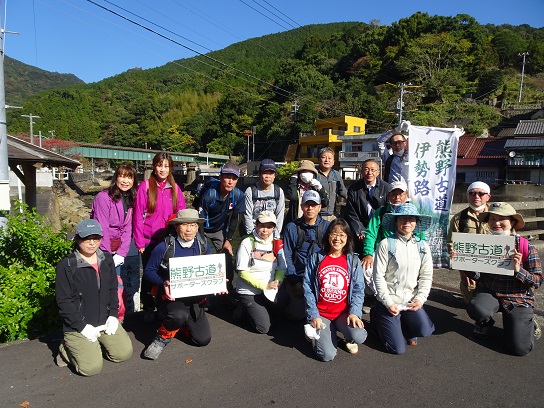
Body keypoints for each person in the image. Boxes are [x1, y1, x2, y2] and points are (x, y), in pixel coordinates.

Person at [55, 219, 133, 376]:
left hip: (104, 320)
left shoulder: (106, 259)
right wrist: (82, 326)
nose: (92, 243)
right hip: (79, 324)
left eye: (96, 238)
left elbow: (112, 289)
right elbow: (63, 301)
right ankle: (66, 348)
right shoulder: (67, 265)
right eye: (86, 238)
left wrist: (112, 315)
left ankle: (94, 345)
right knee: (91, 368)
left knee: (124, 353)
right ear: (77, 239)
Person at [467, 202, 542, 356]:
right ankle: (485, 323)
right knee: (476, 307)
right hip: (491, 292)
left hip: (517, 298)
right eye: (492, 219)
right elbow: (479, 277)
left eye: (502, 219)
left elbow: (538, 280)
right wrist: (463, 263)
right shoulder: (483, 244)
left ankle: (528, 325)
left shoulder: (525, 247)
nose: (496, 223)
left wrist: (518, 270)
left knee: (520, 349)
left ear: (512, 222)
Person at [143, 209, 213, 360]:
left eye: (193, 225)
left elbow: (211, 269)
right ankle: (162, 337)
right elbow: (148, 271)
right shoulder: (164, 247)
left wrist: (219, 282)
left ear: (197, 227)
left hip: (194, 298)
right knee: (178, 315)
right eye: (184, 225)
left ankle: (178, 325)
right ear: (176, 227)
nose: (189, 229)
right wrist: (163, 282)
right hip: (171, 297)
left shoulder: (203, 245)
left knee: (202, 339)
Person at [372, 203, 435, 355]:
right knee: (397, 349)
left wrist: (420, 299)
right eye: (402, 219)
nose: (406, 222)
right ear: (395, 222)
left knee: (425, 330)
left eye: (411, 219)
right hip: (389, 301)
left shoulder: (422, 247)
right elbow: (378, 276)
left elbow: (427, 276)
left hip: (409, 301)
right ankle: (377, 319)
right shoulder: (386, 244)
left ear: (416, 222)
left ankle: (404, 325)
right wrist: (387, 302)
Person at [303, 218, 368, 361]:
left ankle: (344, 337)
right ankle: (317, 333)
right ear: (328, 236)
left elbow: (358, 290)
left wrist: (355, 313)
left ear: (348, 238)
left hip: (342, 314)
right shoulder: (317, 258)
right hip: (322, 314)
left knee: (359, 335)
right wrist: (313, 314)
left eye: (342, 235)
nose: (337, 238)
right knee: (327, 355)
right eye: (334, 234)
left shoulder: (353, 261)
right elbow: (307, 287)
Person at [134, 152, 186, 323]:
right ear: (154, 166)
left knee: (167, 273)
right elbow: (137, 216)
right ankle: (148, 306)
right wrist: (139, 241)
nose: (162, 169)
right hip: (149, 240)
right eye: (159, 165)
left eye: (166, 166)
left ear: (170, 168)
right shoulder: (146, 187)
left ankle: (164, 306)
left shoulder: (175, 188)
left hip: (168, 240)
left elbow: (182, 213)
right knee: (149, 275)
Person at [91, 163, 139, 320]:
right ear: (116, 177)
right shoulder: (103, 198)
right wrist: (107, 256)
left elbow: (127, 229)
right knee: (106, 286)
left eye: (129, 177)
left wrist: (121, 253)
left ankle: (119, 318)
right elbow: (101, 228)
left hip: (118, 248)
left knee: (119, 286)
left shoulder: (131, 198)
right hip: (103, 247)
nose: (125, 181)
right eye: (122, 176)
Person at [197, 162, 245, 296]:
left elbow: (235, 218)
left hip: (219, 229)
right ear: (220, 177)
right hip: (203, 228)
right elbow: (200, 221)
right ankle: (204, 295)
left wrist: (228, 240)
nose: (230, 181)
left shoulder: (238, 195)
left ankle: (227, 290)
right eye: (227, 177)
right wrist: (201, 242)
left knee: (227, 258)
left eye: (234, 178)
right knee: (205, 259)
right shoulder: (209, 195)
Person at [235, 211, 286, 334]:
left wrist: (278, 282)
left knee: (284, 305)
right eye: (262, 226)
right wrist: (264, 286)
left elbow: (281, 267)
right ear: (256, 225)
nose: (265, 230)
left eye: (269, 227)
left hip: (268, 291)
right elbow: (242, 272)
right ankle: (243, 308)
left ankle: (259, 308)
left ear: (274, 228)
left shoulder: (276, 243)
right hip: (250, 291)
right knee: (263, 328)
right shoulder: (247, 242)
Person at [282, 190, 330, 321]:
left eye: (314, 205)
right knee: (295, 316)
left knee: (323, 313)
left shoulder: (328, 227)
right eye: (307, 204)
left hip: (321, 278)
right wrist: (294, 281)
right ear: (302, 206)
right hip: (298, 277)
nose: (310, 208)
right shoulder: (291, 227)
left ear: (320, 207)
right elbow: (286, 256)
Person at [447, 182, 491, 305]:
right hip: (469, 267)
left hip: (493, 264)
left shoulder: (496, 216)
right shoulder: (459, 218)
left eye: (481, 193)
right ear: (467, 196)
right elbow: (451, 242)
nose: (476, 196)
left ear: (488, 197)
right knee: (472, 303)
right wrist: (461, 268)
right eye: (472, 193)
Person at [344, 159, 390, 256]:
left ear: (378, 172)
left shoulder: (386, 188)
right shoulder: (354, 188)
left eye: (373, 170)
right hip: (361, 229)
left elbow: (388, 211)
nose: (370, 172)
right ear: (361, 171)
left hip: (379, 228)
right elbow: (351, 213)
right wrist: (360, 230)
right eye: (366, 169)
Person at [243, 159, 285, 240]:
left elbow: (279, 216)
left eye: (271, 173)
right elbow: (247, 215)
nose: (268, 176)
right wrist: (253, 236)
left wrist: (275, 236)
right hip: (254, 232)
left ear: (274, 175)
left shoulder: (279, 192)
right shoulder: (250, 191)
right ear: (259, 174)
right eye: (265, 173)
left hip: (271, 233)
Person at [284, 160, 329, 227]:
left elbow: (325, 202)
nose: (306, 174)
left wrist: (320, 188)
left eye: (309, 172)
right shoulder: (294, 186)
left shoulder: (315, 187)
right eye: (303, 171)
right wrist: (293, 180)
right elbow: (293, 197)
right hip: (296, 223)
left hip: (312, 223)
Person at [316, 147, 347, 221]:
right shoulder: (314, 174)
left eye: (330, 158)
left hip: (332, 215)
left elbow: (343, 192)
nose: (327, 160)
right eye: (323, 157)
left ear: (333, 161)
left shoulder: (336, 175)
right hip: (317, 216)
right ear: (319, 160)